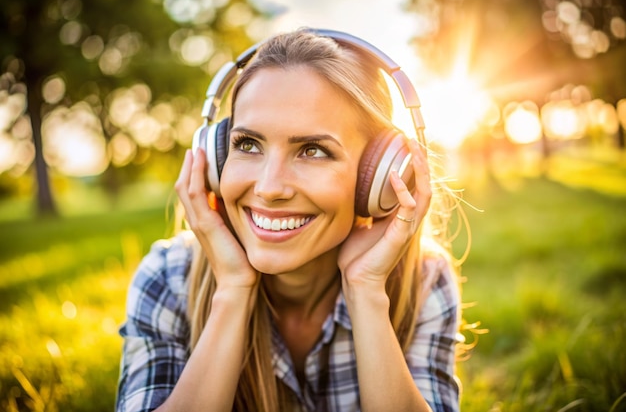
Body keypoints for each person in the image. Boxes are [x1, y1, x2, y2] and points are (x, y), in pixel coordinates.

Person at [116, 28, 464, 412]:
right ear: (213, 160)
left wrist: (365, 290)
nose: (269, 188)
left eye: (312, 150)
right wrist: (232, 291)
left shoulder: (423, 282)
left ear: (379, 178)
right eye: (247, 144)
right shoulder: (168, 279)